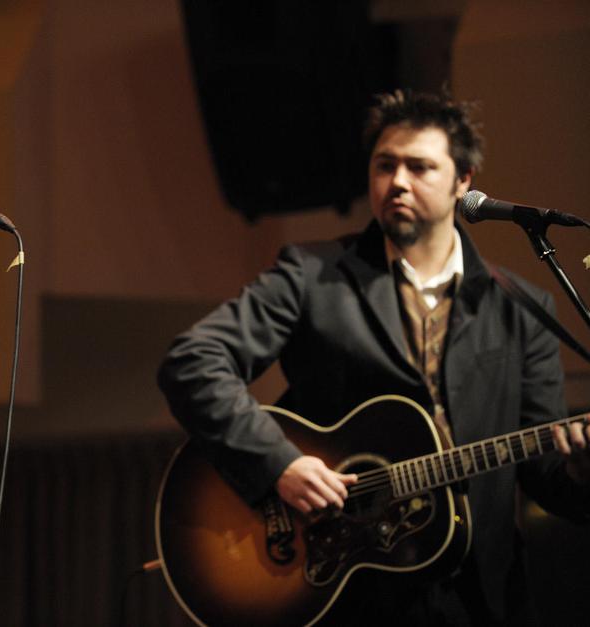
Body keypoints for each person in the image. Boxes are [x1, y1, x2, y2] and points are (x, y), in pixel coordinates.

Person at [157, 90, 590, 626]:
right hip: (346, 594)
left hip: (480, 601)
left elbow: (549, 477)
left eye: (419, 167)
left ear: (464, 180)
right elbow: (193, 362)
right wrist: (278, 464)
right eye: (385, 166)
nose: (397, 182)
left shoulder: (521, 308)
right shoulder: (313, 276)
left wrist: (582, 470)